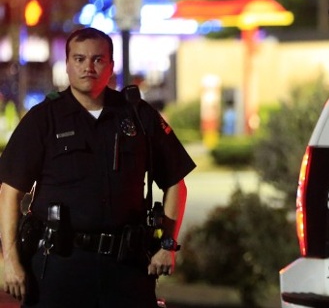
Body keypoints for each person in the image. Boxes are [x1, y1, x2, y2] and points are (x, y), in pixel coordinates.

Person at [0, 27, 196, 307]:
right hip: (60, 266)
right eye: (79, 59)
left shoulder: (138, 116)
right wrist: (11, 261)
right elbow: (9, 191)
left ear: (111, 66)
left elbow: (176, 182)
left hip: (126, 268)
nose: (87, 67)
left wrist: (167, 245)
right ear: (67, 64)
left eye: (97, 60)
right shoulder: (44, 118)